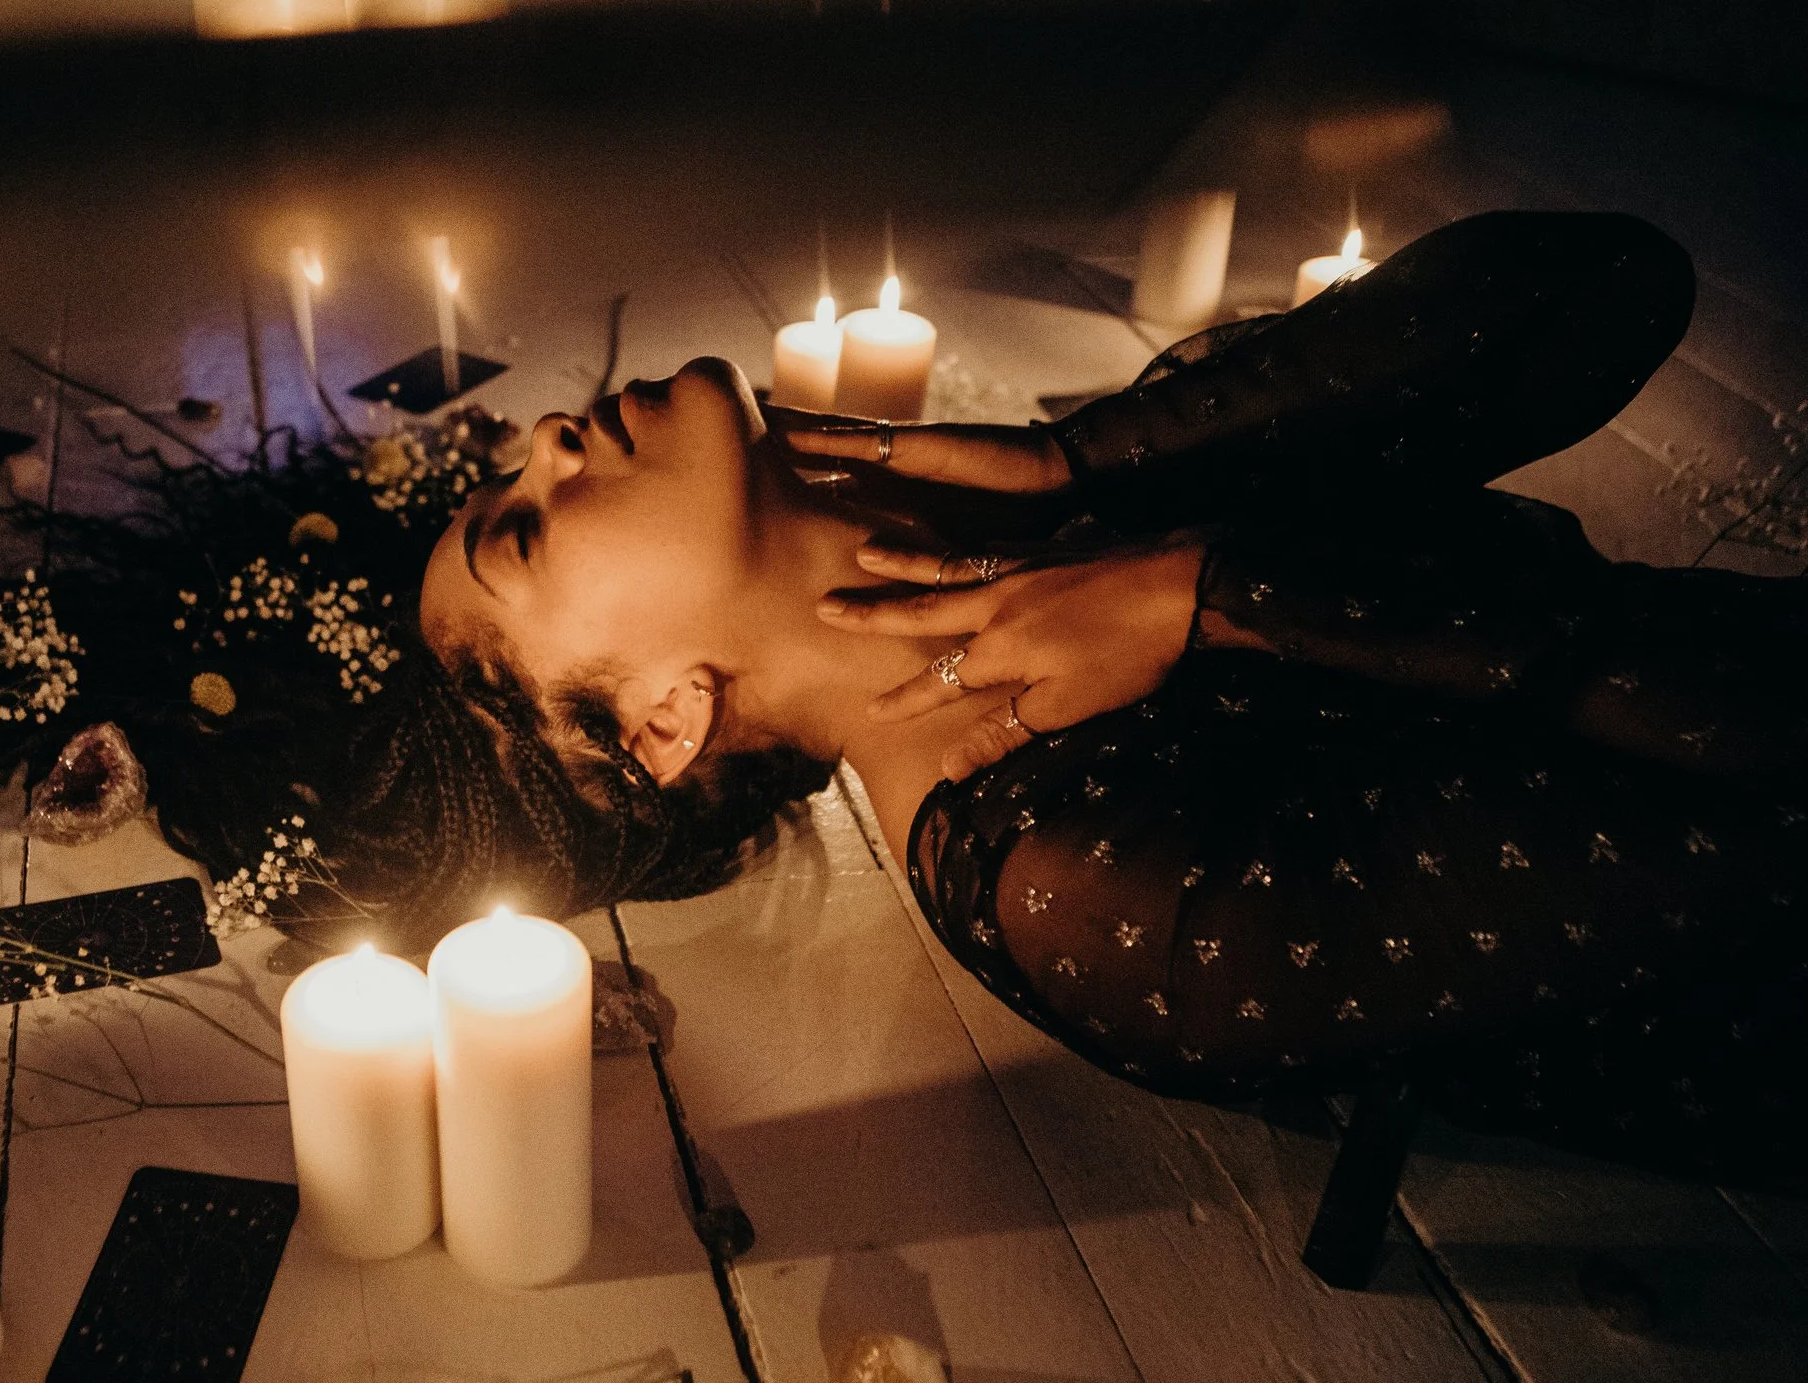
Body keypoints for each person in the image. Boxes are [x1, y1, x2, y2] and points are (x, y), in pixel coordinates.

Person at [414, 211, 1808, 1188]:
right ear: (665, 720)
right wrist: (1217, 589)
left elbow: (1604, 281)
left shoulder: (1060, 534)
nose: (543, 438)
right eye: (522, 531)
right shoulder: (1083, 891)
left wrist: (1092, 464)